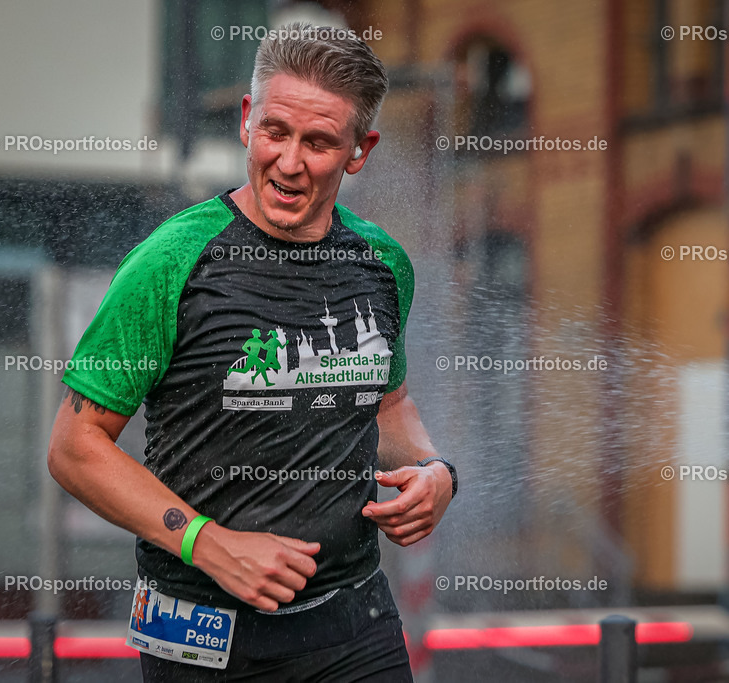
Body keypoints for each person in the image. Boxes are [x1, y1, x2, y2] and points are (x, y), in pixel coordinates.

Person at [47, 22, 456, 682]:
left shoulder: (383, 264)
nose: (289, 162)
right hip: (200, 632)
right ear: (246, 121)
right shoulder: (171, 261)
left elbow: (388, 401)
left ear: (360, 150)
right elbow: (75, 444)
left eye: (319, 142)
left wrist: (435, 469)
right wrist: (206, 541)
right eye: (275, 131)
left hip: (356, 625)